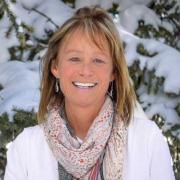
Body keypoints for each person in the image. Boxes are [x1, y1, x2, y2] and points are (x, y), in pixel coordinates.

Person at [4, 6, 175, 180]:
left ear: (113, 72)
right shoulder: (27, 147)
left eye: (98, 60)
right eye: (75, 59)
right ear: (55, 67)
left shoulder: (147, 140)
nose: (86, 71)